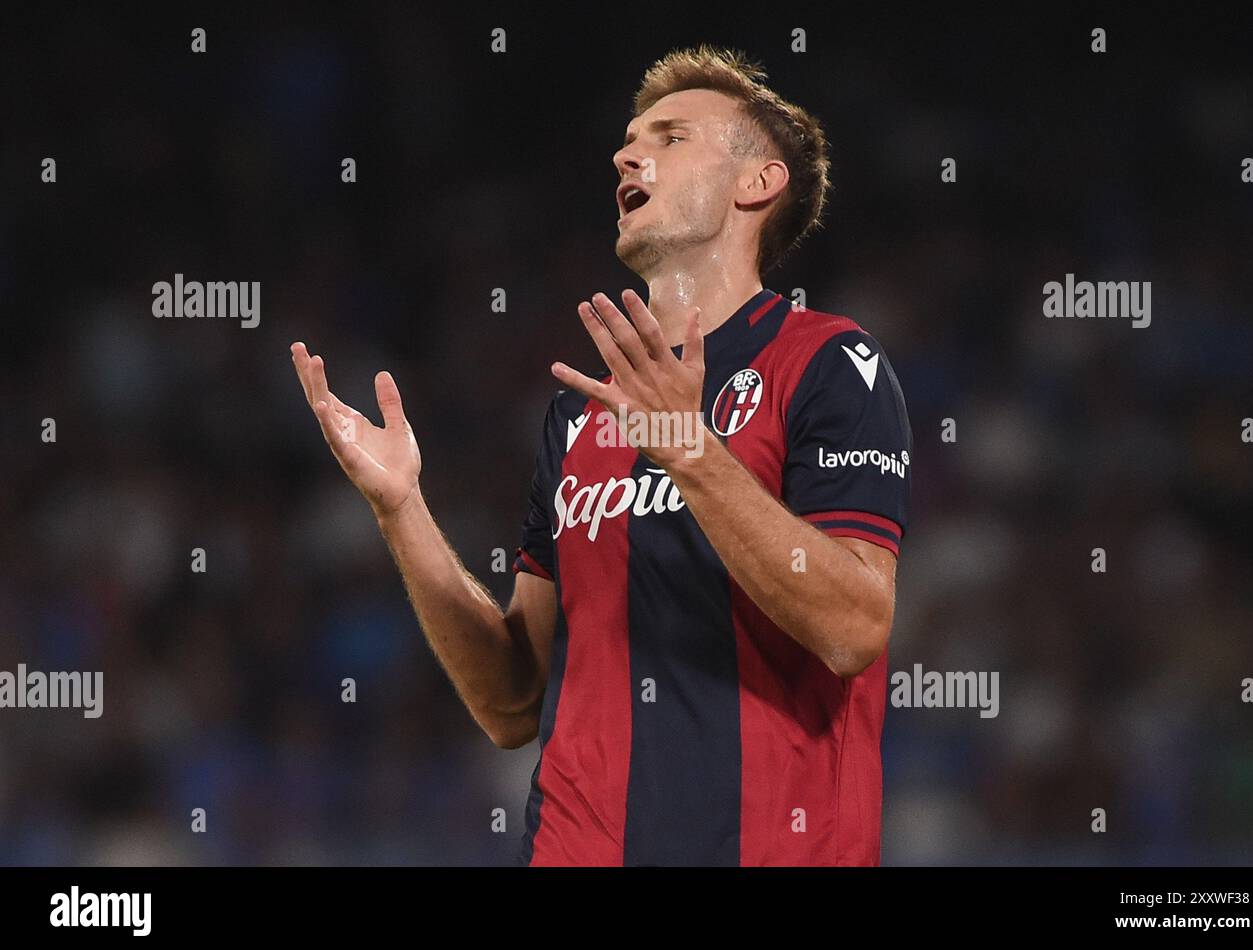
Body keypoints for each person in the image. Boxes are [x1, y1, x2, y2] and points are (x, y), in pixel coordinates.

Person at [290, 45, 912, 866]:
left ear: (755, 184)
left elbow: (854, 628)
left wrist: (691, 452)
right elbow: (514, 702)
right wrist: (402, 510)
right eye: (628, 139)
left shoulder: (827, 363)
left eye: (671, 135)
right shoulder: (578, 415)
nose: (627, 153)